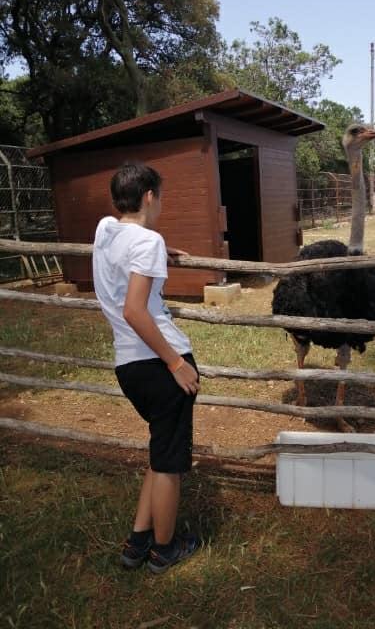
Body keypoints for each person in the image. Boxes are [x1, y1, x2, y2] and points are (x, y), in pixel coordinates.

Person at [92, 162, 201, 574]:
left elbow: (124, 247)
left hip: (128, 367)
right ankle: (164, 550)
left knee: (160, 452)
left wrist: (159, 254)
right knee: (170, 464)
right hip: (159, 363)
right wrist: (176, 363)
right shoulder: (148, 241)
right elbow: (134, 310)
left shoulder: (105, 229)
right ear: (150, 196)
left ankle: (137, 543)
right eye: (160, 197)